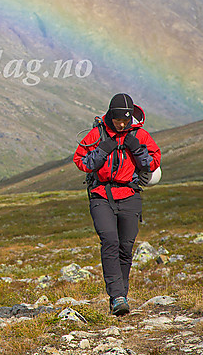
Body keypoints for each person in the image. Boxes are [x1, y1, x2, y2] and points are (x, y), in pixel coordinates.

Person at [73, 93, 161, 316]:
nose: (121, 124)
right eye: (117, 119)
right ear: (110, 116)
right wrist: (103, 150)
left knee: (125, 247)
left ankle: (121, 295)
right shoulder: (97, 134)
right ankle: (117, 297)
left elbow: (153, 163)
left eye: (125, 120)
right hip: (101, 195)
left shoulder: (140, 135)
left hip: (130, 195)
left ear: (131, 117)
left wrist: (137, 148)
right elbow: (80, 161)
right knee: (110, 241)